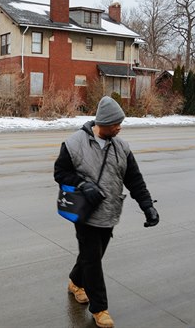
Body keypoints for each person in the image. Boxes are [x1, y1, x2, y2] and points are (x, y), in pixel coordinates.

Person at [54, 96, 159, 328]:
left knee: (93, 256)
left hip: (109, 212)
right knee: (93, 260)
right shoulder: (74, 144)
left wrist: (147, 206)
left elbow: (135, 179)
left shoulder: (121, 147)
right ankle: (100, 309)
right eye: (115, 123)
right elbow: (60, 173)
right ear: (103, 123)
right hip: (85, 213)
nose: (120, 127)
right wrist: (82, 184)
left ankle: (75, 282)